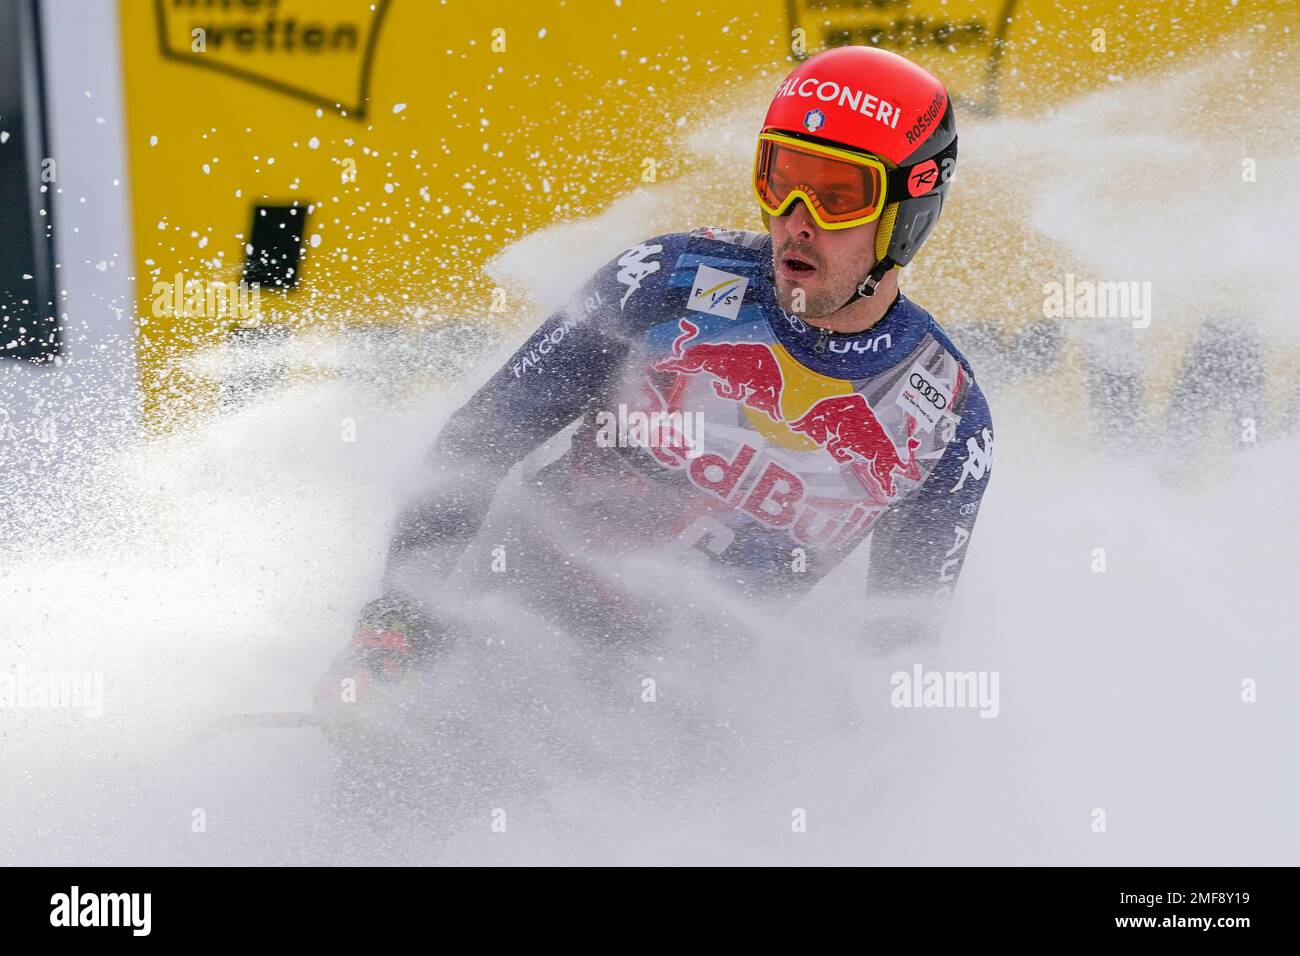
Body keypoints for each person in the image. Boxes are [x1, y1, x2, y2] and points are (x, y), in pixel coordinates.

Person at [316, 45, 994, 713]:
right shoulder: (667, 279)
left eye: (840, 196)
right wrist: (397, 618)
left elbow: (893, 655)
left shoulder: (946, 416)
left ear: (910, 210)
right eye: (781, 180)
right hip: (493, 634)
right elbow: (480, 440)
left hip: (672, 726)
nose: (799, 221)